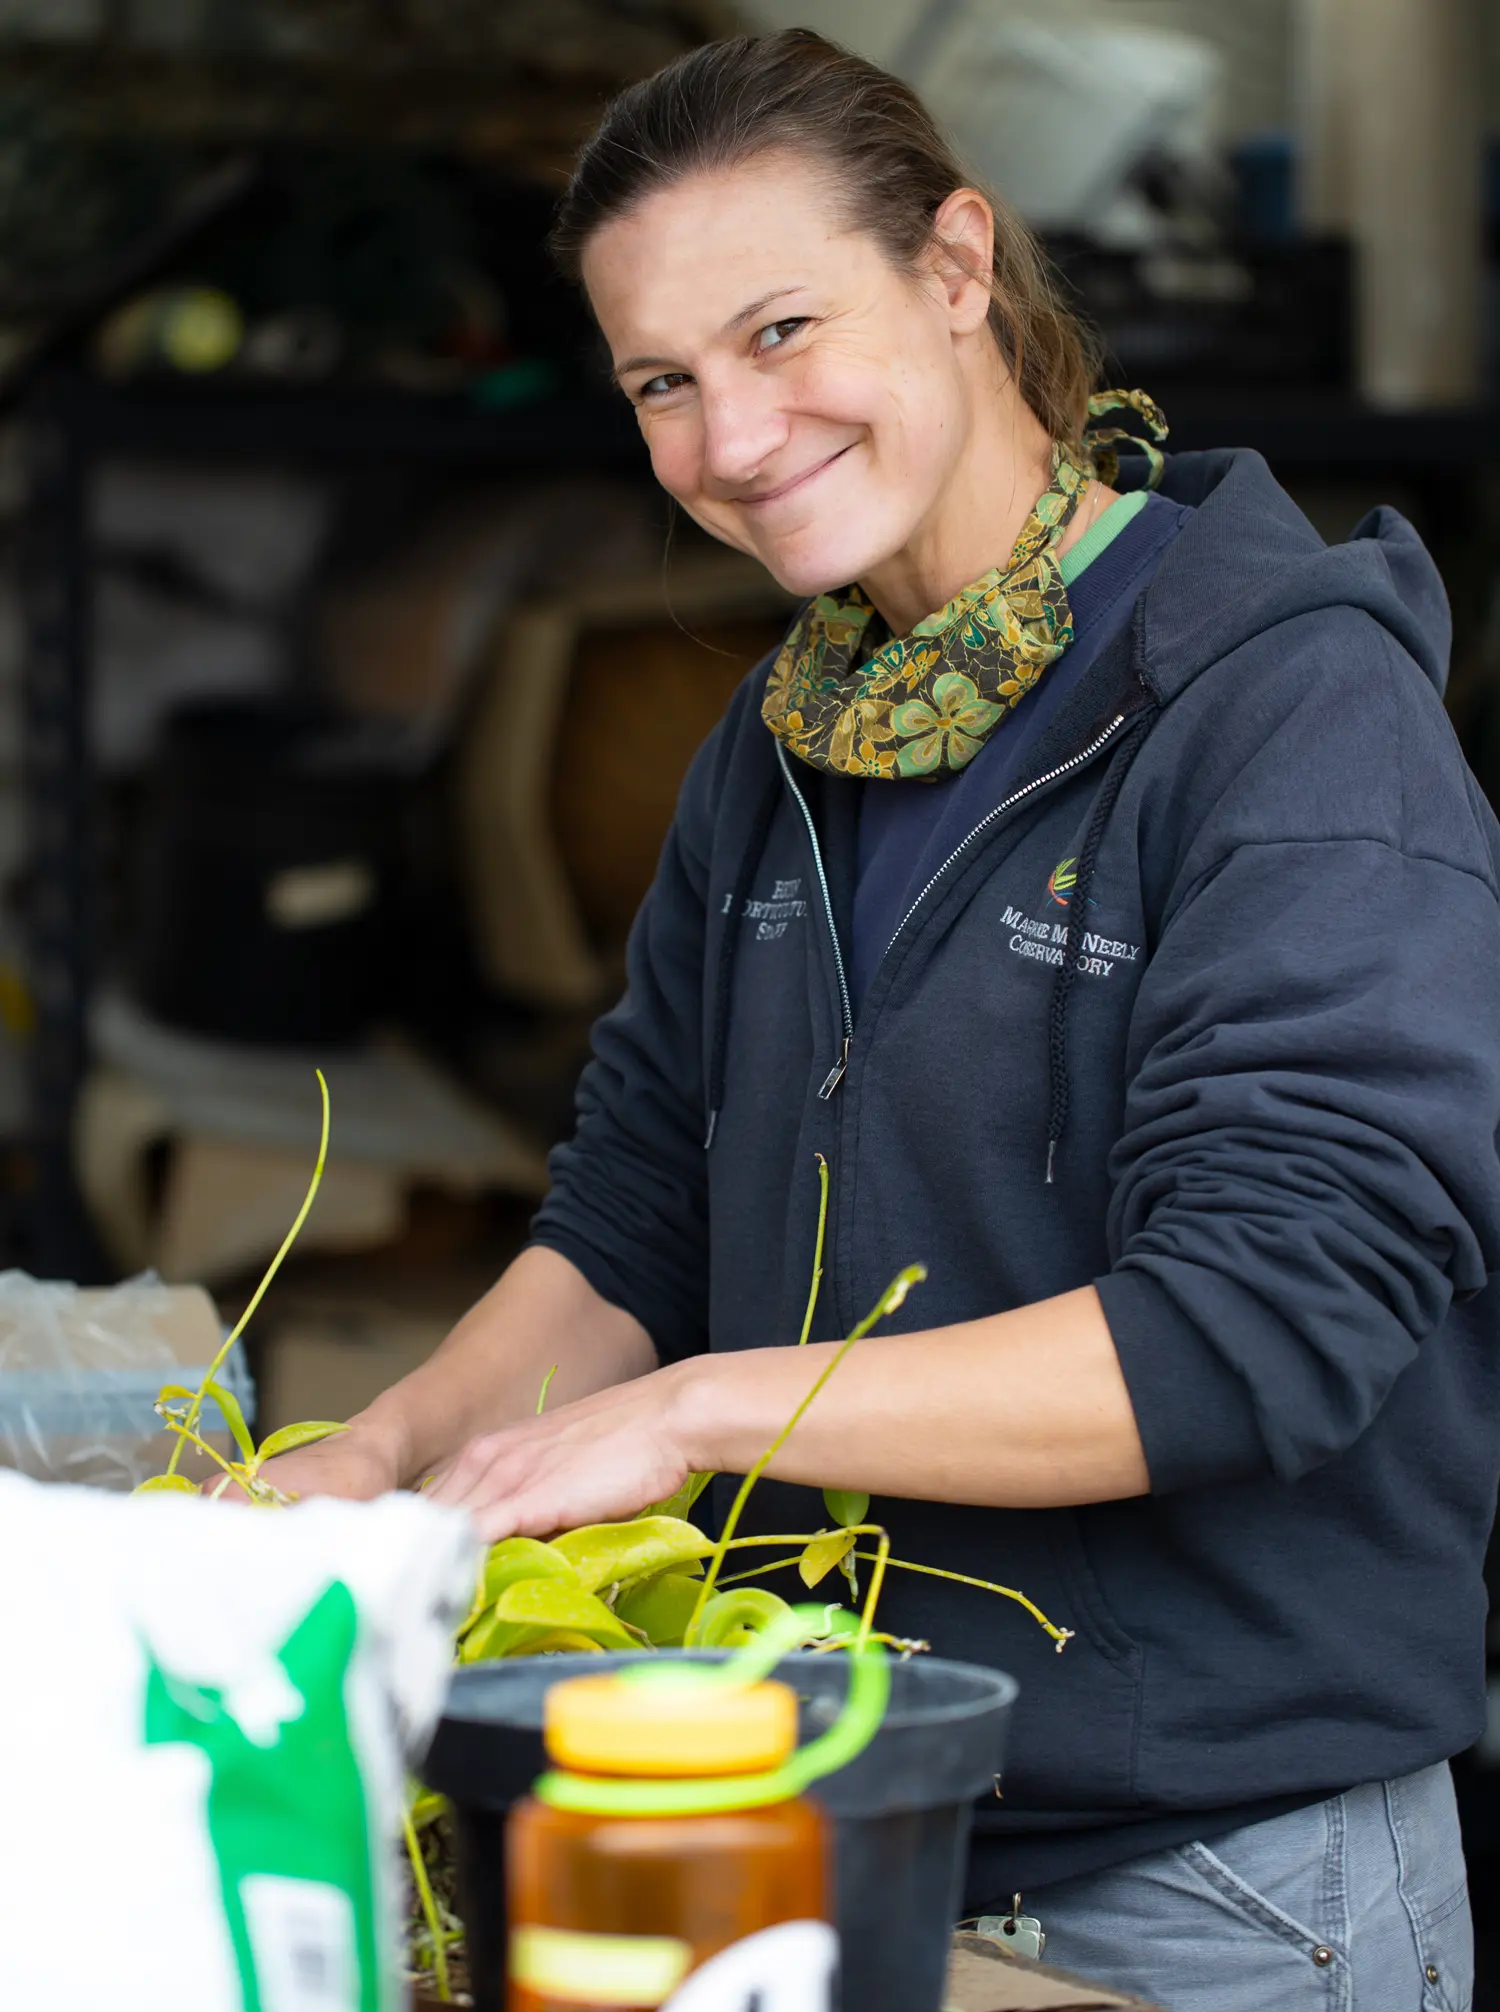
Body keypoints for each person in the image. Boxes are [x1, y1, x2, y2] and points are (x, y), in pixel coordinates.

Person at [261, 30, 1500, 2010]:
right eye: (662, 383)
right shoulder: (786, 745)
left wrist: (697, 1411)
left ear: (954, 266)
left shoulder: (1285, 717)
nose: (732, 438)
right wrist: (390, 1454)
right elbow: (637, 1218)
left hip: (1213, 1892)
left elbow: (1265, 1322)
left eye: (779, 331)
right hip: (827, 1832)